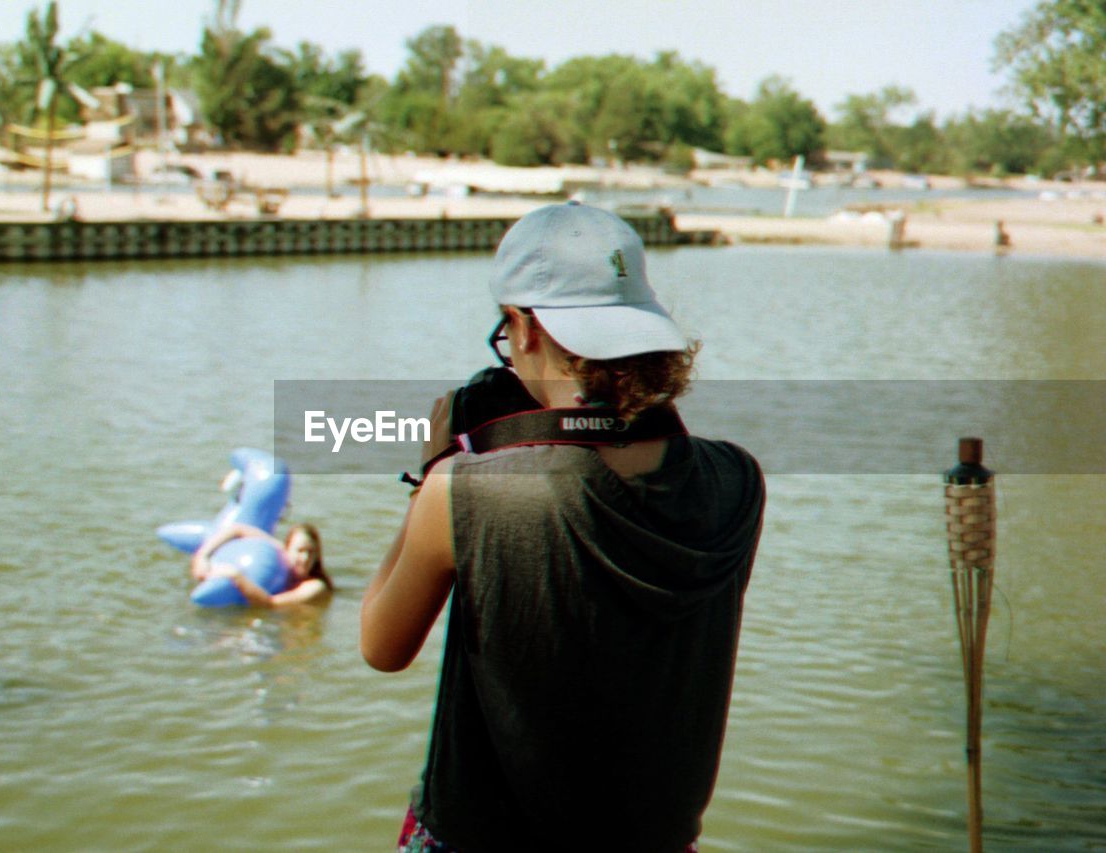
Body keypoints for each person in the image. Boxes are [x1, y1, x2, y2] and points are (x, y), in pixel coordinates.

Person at [360, 202, 766, 851]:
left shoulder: (469, 491)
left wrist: (437, 471)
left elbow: (382, 645)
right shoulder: (736, 480)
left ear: (523, 326)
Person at [192, 522, 333, 607]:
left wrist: (237, 577)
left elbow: (270, 604)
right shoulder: (279, 552)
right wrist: (202, 556)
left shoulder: (315, 587)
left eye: (311, 552)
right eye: (300, 550)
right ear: (287, 549)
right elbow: (238, 529)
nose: (305, 557)